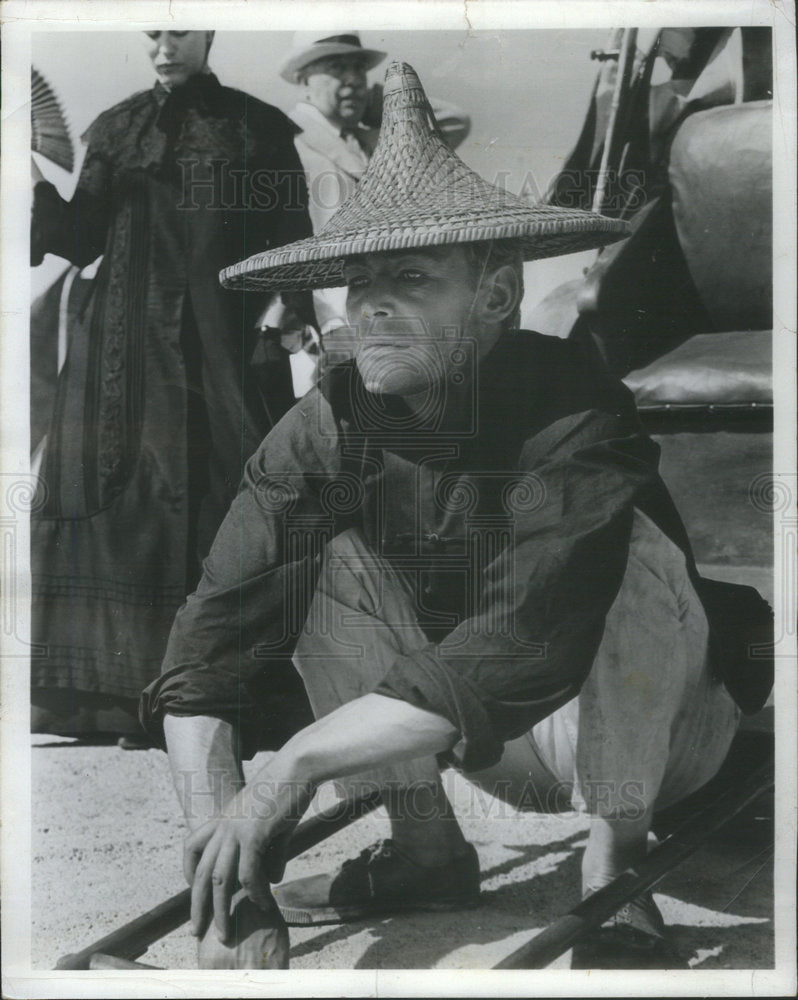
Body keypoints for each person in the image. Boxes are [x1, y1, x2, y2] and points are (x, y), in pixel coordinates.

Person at [140, 61, 744, 968]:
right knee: (314, 554)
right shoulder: (330, 420)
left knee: (626, 554)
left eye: (413, 277)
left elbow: (530, 635)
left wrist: (295, 765)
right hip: (476, 739)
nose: (372, 302)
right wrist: (231, 863)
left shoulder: (572, 400)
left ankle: (617, 870)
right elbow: (209, 643)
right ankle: (425, 851)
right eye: (360, 280)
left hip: (648, 744)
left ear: (496, 297)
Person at [30, 31, 313, 742]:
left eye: (178, 31)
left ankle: (219, 695)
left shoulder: (257, 127)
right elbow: (81, 236)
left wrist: (291, 306)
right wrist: (28, 182)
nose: (163, 45)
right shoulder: (118, 128)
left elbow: (292, 231)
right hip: (121, 352)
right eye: (153, 33)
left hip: (226, 340)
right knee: (128, 508)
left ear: (208, 33)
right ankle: (116, 700)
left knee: (231, 497)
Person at [266, 32, 470, 354]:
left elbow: (455, 122)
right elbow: (281, 245)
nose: (353, 79)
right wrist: (326, 321)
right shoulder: (282, 141)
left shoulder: (375, 142)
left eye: (359, 69)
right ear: (303, 80)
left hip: (383, 312)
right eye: (337, 67)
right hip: (320, 328)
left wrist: (382, 107)